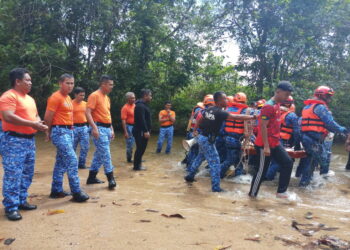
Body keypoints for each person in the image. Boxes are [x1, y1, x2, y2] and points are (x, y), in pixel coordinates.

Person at [0, 68, 48, 221]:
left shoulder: (29, 98)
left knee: (27, 173)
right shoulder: (9, 96)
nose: (30, 82)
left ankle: (21, 201)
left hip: (29, 140)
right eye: (27, 80)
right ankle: (11, 207)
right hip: (14, 140)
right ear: (17, 81)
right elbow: (8, 117)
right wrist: (33, 124)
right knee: (13, 174)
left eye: (30, 80)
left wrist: (40, 123)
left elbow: (35, 115)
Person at [185, 91, 255, 192]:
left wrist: (195, 130)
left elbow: (200, 118)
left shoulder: (209, 109)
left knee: (200, 157)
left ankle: (190, 176)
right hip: (208, 140)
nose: (227, 100)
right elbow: (236, 117)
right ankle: (216, 188)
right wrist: (252, 117)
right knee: (216, 163)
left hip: (202, 137)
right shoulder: (220, 112)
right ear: (219, 100)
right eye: (225, 99)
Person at [44, 74, 89, 202]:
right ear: (60, 83)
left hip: (69, 131)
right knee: (72, 159)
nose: (70, 85)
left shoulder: (68, 97)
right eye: (67, 83)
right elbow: (48, 117)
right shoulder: (55, 97)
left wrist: (72, 130)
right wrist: (47, 132)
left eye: (72, 83)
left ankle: (56, 190)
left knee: (61, 162)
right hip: (59, 132)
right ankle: (76, 192)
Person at [248, 81, 294, 199]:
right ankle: (252, 195)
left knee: (288, 162)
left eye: (289, 95)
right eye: (286, 94)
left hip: (275, 143)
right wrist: (267, 147)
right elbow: (263, 126)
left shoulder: (277, 104)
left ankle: (281, 192)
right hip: (264, 144)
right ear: (278, 92)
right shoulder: (268, 106)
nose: (287, 97)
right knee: (261, 171)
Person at [298, 86, 347, 186]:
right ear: (320, 95)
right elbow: (330, 123)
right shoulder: (320, 107)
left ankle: (304, 181)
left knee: (309, 160)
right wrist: (343, 130)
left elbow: (300, 122)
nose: (330, 98)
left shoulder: (307, 107)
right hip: (313, 139)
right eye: (328, 95)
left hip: (307, 137)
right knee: (322, 159)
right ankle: (304, 185)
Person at [85, 75, 116, 189]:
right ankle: (111, 179)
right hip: (99, 128)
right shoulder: (94, 95)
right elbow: (88, 112)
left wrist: (112, 128)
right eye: (110, 85)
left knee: (99, 154)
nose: (112, 87)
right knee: (106, 154)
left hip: (107, 128)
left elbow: (108, 114)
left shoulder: (106, 98)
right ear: (103, 84)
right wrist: (94, 128)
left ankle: (91, 177)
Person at [265, 96, 300, 180]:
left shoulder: (275, 111)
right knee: (278, 162)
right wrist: (297, 144)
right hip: (282, 140)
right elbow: (296, 132)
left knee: (274, 161)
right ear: (289, 104)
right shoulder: (291, 115)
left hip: (271, 139)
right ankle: (266, 179)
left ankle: (270, 179)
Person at [220, 92, 249, 178]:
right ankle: (217, 175)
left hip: (227, 137)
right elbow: (245, 126)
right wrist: (246, 135)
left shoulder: (227, 109)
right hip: (235, 139)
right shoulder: (244, 110)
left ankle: (238, 177)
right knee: (230, 160)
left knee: (238, 159)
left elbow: (223, 125)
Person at [133, 89, 152, 171]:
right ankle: (136, 167)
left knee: (141, 148)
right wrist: (145, 131)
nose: (151, 97)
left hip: (141, 131)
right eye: (150, 95)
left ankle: (138, 164)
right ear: (145, 96)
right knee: (140, 148)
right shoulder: (140, 106)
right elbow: (141, 119)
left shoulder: (143, 105)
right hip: (140, 131)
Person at [72, 87, 90, 169]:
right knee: (72, 147)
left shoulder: (86, 104)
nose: (82, 97)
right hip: (73, 127)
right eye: (80, 95)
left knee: (85, 146)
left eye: (83, 95)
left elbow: (89, 116)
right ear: (75, 95)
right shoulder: (70, 104)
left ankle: (81, 164)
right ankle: (72, 163)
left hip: (84, 127)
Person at [121, 92, 136, 163]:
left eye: (134, 98)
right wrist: (125, 132)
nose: (134, 99)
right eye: (132, 98)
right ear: (128, 99)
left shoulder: (135, 106)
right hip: (129, 127)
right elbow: (123, 120)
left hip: (136, 126)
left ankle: (136, 158)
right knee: (129, 144)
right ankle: (129, 159)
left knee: (137, 143)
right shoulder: (125, 108)